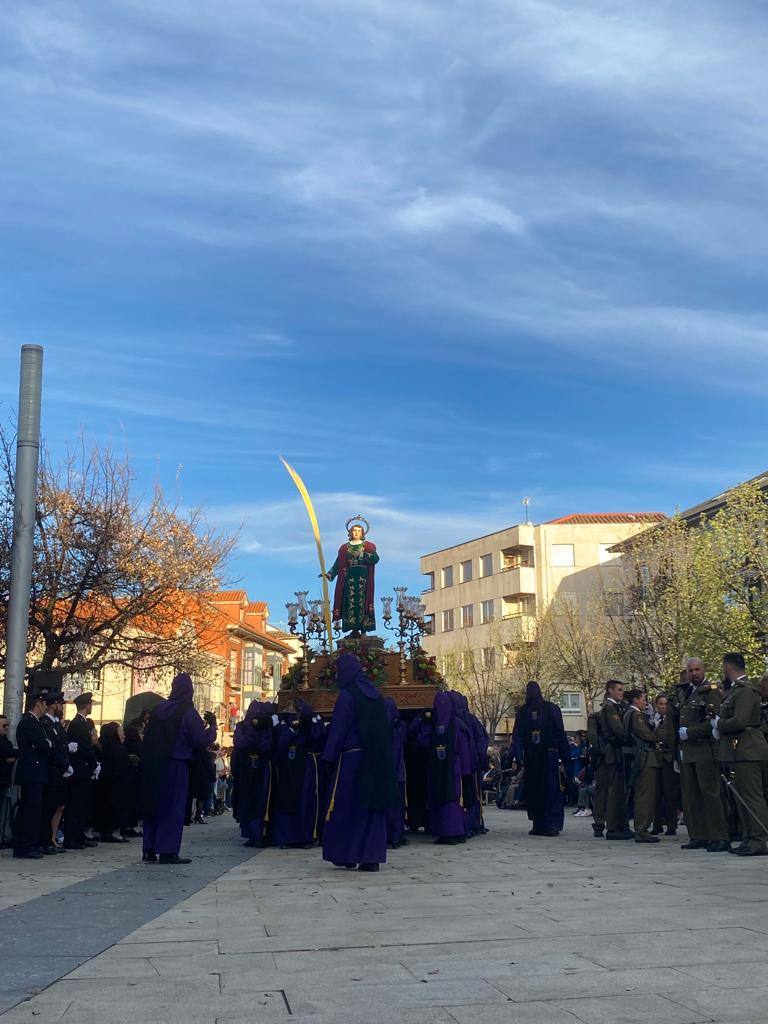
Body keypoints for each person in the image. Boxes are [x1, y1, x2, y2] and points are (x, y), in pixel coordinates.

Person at [321, 651, 398, 870]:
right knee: (372, 806)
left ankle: (347, 854)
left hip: (352, 760)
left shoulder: (347, 695)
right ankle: (371, 857)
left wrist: (329, 757)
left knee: (346, 807)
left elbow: (339, 729)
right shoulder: (375, 695)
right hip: (376, 758)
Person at [141, 673, 216, 865]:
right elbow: (200, 740)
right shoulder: (187, 712)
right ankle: (167, 850)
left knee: (153, 805)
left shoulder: (158, 710)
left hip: (154, 763)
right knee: (172, 807)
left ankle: (149, 849)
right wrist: (212, 727)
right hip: (176, 764)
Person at [717, 653, 768, 856]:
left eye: (724, 667)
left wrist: (719, 725)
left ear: (728, 668)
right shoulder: (737, 691)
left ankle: (758, 840)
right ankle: (748, 838)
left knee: (752, 797)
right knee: (742, 798)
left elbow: (740, 721)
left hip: (748, 750)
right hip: (738, 751)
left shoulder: (746, 691)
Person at [676, 657, 728, 852]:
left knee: (710, 795)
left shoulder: (712, 692)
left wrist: (690, 732)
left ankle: (719, 836)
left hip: (705, 749)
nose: (694, 673)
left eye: (697, 670)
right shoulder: (687, 692)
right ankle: (699, 835)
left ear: (704, 670)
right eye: (691, 670)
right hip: (688, 752)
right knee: (691, 796)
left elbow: (714, 722)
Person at [512, 681, 571, 837]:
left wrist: (519, 756)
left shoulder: (523, 711)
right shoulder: (550, 708)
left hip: (534, 756)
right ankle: (550, 824)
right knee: (548, 790)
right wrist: (566, 757)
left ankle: (539, 823)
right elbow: (560, 733)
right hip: (548, 755)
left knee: (536, 790)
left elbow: (517, 736)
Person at [272, 702, 323, 848]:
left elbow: (317, 737)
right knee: (286, 803)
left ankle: (304, 838)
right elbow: (279, 746)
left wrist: (311, 719)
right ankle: (286, 838)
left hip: (304, 768)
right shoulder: (283, 727)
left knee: (305, 802)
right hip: (287, 769)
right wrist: (290, 729)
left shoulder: (309, 726)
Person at [232, 700, 276, 847]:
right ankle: (251, 834)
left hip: (261, 769)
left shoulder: (264, 727)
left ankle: (258, 834)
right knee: (249, 801)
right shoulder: (242, 727)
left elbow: (266, 746)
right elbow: (239, 744)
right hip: (248, 769)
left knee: (259, 801)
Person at [325, 520, 380, 635]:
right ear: (350, 532)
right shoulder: (344, 548)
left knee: (363, 601)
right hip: (349, 579)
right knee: (349, 603)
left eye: (359, 531)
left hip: (363, 578)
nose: (356, 533)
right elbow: (338, 563)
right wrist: (330, 573)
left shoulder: (368, 546)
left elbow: (375, 559)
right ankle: (354, 629)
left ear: (362, 533)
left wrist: (363, 555)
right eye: (354, 530)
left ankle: (363, 629)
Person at [12, 692, 49, 860]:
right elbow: (43, 745)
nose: (46, 708)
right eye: (44, 704)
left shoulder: (34, 722)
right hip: (31, 772)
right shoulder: (29, 723)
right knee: (30, 810)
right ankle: (25, 846)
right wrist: (46, 743)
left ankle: (27, 844)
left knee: (32, 809)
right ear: (38, 704)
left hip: (34, 772)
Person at [427, 691, 468, 844]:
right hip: (452, 765)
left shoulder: (438, 724)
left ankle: (449, 832)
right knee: (452, 797)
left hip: (448, 765)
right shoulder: (456, 723)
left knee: (450, 797)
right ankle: (455, 831)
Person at [623, 690, 662, 844]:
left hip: (639, 757)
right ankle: (642, 830)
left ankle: (641, 828)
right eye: (643, 700)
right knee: (645, 795)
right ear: (635, 700)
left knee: (642, 794)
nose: (645, 703)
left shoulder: (629, 714)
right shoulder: (636, 715)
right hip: (644, 757)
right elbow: (647, 735)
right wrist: (657, 729)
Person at [595, 680, 632, 840]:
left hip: (618, 752)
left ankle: (621, 825)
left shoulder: (615, 707)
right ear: (610, 691)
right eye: (619, 690)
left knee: (620, 791)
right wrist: (629, 736)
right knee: (614, 792)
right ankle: (612, 827)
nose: (621, 693)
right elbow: (619, 730)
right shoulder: (609, 708)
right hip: (614, 753)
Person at [63, 692, 100, 850]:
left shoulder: (81, 723)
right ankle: (72, 838)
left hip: (82, 769)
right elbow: (84, 747)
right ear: (86, 705)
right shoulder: (78, 724)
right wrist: (94, 764)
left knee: (81, 805)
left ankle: (78, 836)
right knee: (76, 805)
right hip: (79, 770)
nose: (91, 706)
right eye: (90, 703)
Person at [39, 692, 71, 854]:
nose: (61, 707)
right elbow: (53, 748)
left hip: (60, 769)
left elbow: (61, 744)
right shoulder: (45, 723)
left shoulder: (56, 724)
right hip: (52, 770)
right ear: (52, 705)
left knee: (59, 805)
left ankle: (52, 837)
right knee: (50, 806)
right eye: (59, 704)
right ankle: (46, 839)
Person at [95, 723, 133, 844]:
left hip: (107, 782)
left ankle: (106, 831)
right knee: (115, 808)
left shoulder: (105, 746)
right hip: (116, 783)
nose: (123, 735)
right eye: (120, 731)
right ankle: (114, 832)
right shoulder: (117, 748)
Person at [652, 694, 679, 836]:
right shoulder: (652, 719)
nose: (663, 707)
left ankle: (671, 825)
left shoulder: (672, 720)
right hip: (655, 759)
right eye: (661, 704)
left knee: (670, 793)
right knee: (655, 794)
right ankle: (657, 824)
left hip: (668, 758)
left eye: (665, 704)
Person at [383, 697, 408, 848]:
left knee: (390, 807)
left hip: (388, 773)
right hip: (396, 773)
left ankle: (391, 835)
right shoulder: (398, 728)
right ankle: (395, 835)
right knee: (395, 807)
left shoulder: (389, 730)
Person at [0, 714, 18, 847]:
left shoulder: (5, 740)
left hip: (4, 780)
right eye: (3, 725)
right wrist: (6, 759)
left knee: (3, 809)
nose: (6, 728)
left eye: (7, 725)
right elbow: (7, 754)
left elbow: (11, 753)